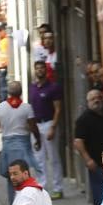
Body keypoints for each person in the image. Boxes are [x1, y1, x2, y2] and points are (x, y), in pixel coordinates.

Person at [28, 60, 63, 196]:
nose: (40, 70)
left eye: (42, 68)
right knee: (38, 158)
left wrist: (53, 127)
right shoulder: (33, 87)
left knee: (53, 157)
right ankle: (41, 185)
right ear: (35, 71)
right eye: (37, 68)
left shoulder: (53, 87)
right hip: (36, 125)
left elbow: (58, 109)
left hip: (48, 123)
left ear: (46, 70)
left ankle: (57, 188)